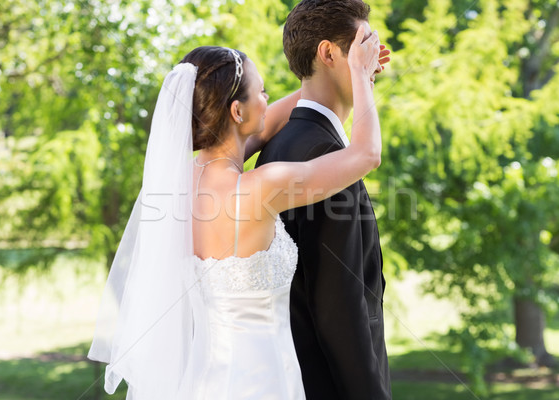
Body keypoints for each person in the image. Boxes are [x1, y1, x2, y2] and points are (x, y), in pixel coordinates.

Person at [88, 27, 387, 399]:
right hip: (262, 380)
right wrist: (357, 73)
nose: (268, 99)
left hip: (206, 378)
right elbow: (366, 155)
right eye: (262, 91)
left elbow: (274, 116)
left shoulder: (180, 183)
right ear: (236, 111)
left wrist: (336, 73)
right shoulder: (261, 187)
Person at [255, 1, 392, 399]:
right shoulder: (325, 157)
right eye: (365, 45)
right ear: (329, 53)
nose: (372, 59)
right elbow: (339, 309)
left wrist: (358, 71)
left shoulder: (283, 142)